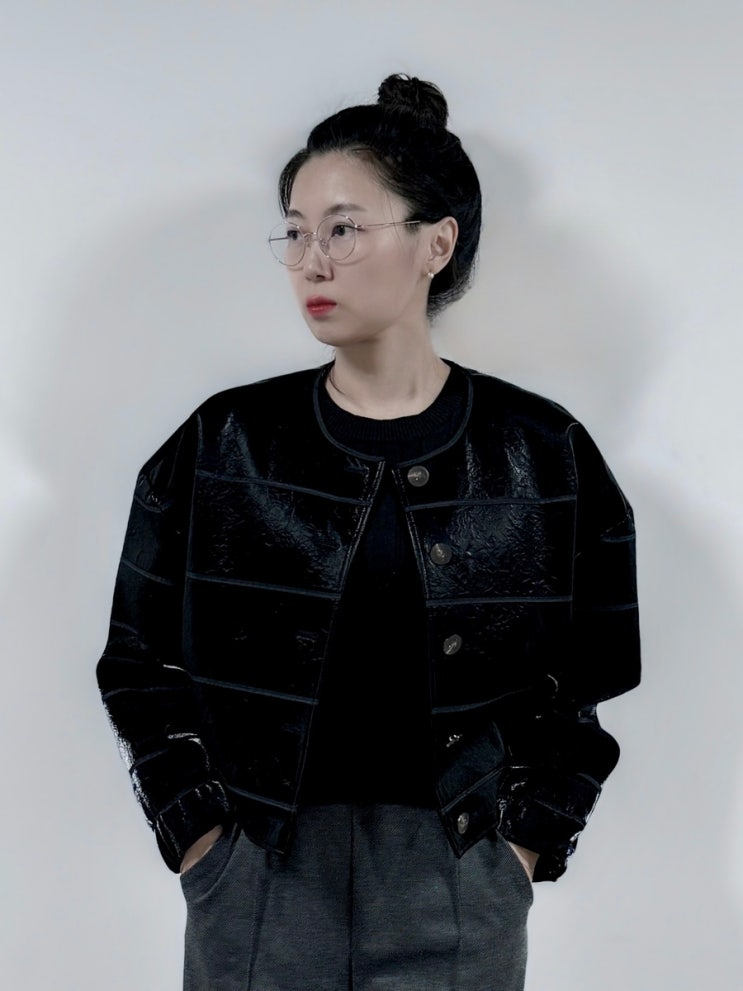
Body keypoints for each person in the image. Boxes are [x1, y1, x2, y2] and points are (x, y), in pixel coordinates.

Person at [97, 74, 641, 991]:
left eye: (343, 229)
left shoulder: (543, 453)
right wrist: (199, 839)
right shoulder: (222, 444)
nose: (311, 262)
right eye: (296, 231)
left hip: (457, 876)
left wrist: (519, 849)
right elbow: (135, 662)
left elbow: (587, 681)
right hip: (259, 873)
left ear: (436, 243)